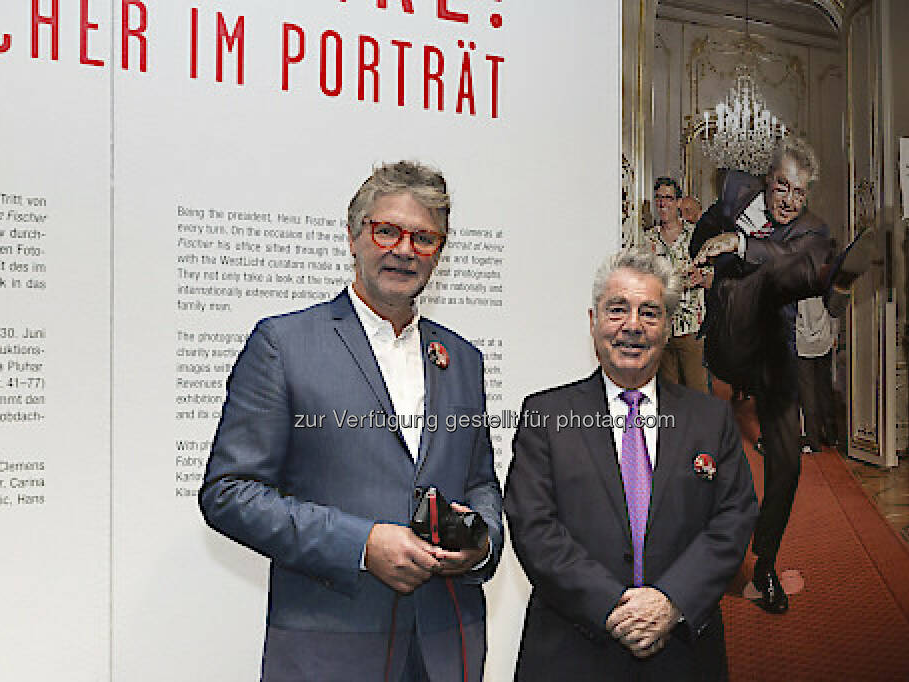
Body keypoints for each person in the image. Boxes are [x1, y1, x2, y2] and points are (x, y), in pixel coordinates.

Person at [199, 160, 503, 681]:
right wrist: (361, 545)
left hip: (445, 647)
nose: (404, 250)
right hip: (330, 649)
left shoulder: (462, 359)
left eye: (424, 238)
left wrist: (480, 544)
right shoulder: (283, 345)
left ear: (440, 253)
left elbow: (480, 484)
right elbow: (229, 492)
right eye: (386, 230)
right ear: (353, 237)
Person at [504, 248, 758, 681]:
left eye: (650, 313)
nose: (633, 326)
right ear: (593, 321)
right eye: (617, 310)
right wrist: (615, 608)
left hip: (683, 652)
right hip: (572, 649)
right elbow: (534, 528)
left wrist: (670, 601)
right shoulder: (546, 415)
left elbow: (734, 517)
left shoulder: (710, 418)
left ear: (668, 326)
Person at [690, 137, 874, 614]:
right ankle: (698, 553)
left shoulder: (812, 229)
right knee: (704, 459)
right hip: (728, 344)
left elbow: (784, 260)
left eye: (800, 192)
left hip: (775, 348)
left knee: (788, 465)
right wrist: (710, 262)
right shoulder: (733, 193)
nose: (791, 200)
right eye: (782, 187)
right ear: (765, 179)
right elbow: (705, 235)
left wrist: (742, 244)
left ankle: (764, 562)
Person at [649, 177, 709, 394]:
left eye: (668, 198)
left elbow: (714, 276)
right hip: (662, 330)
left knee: (698, 394)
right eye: (659, 198)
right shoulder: (649, 240)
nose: (663, 203)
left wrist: (701, 278)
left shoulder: (696, 235)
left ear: (678, 202)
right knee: (668, 398)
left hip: (691, 329)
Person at [796, 296, 839, 453]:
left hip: (803, 342)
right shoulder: (824, 280)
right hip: (824, 338)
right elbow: (834, 310)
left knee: (807, 392)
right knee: (824, 389)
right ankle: (831, 435)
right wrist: (834, 334)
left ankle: (813, 440)